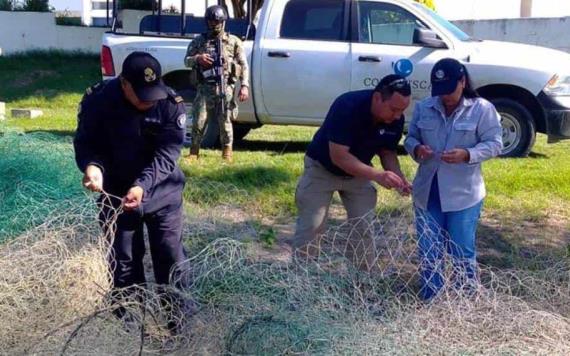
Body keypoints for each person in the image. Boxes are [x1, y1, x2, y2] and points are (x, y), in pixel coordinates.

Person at [73, 51, 191, 332]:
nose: (149, 100)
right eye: (141, 94)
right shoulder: (98, 100)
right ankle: (129, 327)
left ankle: (179, 324)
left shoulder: (171, 104)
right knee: (123, 261)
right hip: (115, 193)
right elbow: (87, 142)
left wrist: (141, 185)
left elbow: (167, 154)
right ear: (124, 83)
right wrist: (92, 167)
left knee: (170, 255)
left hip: (162, 193)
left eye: (153, 93)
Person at [404, 58, 502, 301]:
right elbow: (410, 138)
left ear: (463, 81)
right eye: (440, 91)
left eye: (450, 90)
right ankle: (431, 298)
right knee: (429, 251)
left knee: (461, 250)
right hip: (427, 192)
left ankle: (465, 300)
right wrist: (417, 150)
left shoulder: (482, 109)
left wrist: (468, 154)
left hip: (464, 194)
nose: (445, 97)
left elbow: (495, 144)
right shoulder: (424, 107)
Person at [293, 74, 413, 271]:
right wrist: (377, 175)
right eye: (394, 109)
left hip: (358, 173)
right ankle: (300, 280)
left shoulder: (395, 119)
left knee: (363, 228)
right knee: (312, 227)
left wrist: (398, 178)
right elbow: (339, 157)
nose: (398, 116)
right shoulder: (347, 105)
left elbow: (387, 151)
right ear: (377, 98)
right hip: (322, 168)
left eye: (402, 111)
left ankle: (361, 281)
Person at [184, 5, 250, 163]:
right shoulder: (199, 41)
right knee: (199, 120)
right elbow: (186, 60)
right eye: (211, 21)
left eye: (217, 21)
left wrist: (245, 86)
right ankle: (194, 151)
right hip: (204, 88)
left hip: (224, 87)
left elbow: (243, 65)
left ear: (223, 22)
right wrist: (198, 58)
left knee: (225, 120)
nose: (214, 25)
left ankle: (227, 151)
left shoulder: (233, 42)